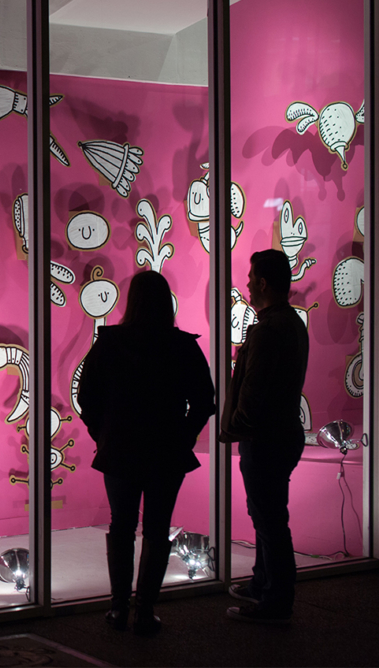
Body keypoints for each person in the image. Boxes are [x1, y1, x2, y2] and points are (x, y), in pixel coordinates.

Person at [78, 271, 215, 636]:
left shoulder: (110, 342)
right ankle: (145, 610)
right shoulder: (182, 345)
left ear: (132, 300)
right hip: (166, 450)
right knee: (157, 529)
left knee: (121, 526)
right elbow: (204, 400)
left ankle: (118, 607)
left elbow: (86, 395)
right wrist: (183, 437)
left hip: (120, 449)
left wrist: (102, 433)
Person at [221, 249, 310, 624]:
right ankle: (263, 584)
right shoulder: (291, 324)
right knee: (268, 516)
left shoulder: (269, 330)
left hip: (265, 438)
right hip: (281, 434)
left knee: (270, 520)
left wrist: (233, 427)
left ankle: (275, 600)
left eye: (249, 277)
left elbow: (253, 390)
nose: (245, 284)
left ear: (261, 283)